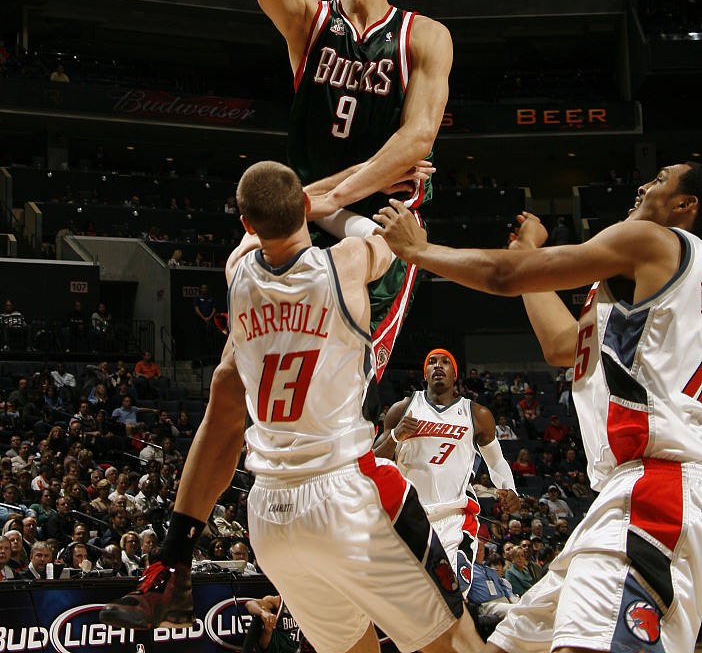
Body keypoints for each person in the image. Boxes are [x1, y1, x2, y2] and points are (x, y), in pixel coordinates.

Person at [101, 161, 483, 653]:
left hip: (270, 517)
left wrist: (318, 197)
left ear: (246, 223)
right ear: (304, 204)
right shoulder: (345, 263)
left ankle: (168, 565)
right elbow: (394, 238)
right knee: (459, 644)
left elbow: (271, 218)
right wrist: (369, 186)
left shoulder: (237, 273)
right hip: (347, 494)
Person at [375, 161, 702, 653]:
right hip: (629, 491)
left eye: (659, 180)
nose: (641, 185)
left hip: (660, 488)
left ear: (685, 205)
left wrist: (418, 250)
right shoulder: (664, 283)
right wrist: (527, 250)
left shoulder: (651, 240)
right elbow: (561, 344)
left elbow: (505, 277)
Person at [199, 0, 452, 380]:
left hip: (381, 211)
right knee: (238, 359)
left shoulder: (424, 34)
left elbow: (418, 139)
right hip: (307, 203)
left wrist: (335, 195)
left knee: (349, 371)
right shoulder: (307, 21)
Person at [374, 347, 519, 587]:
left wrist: (510, 489)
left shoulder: (477, 414)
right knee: (404, 598)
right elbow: (374, 464)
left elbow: (496, 461)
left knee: (450, 597)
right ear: (425, 374)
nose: (438, 366)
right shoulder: (403, 408)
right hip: (407, 517)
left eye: (445, 362)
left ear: (455, 375)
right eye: (432, 362)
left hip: (454, 520)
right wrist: (394, 437)